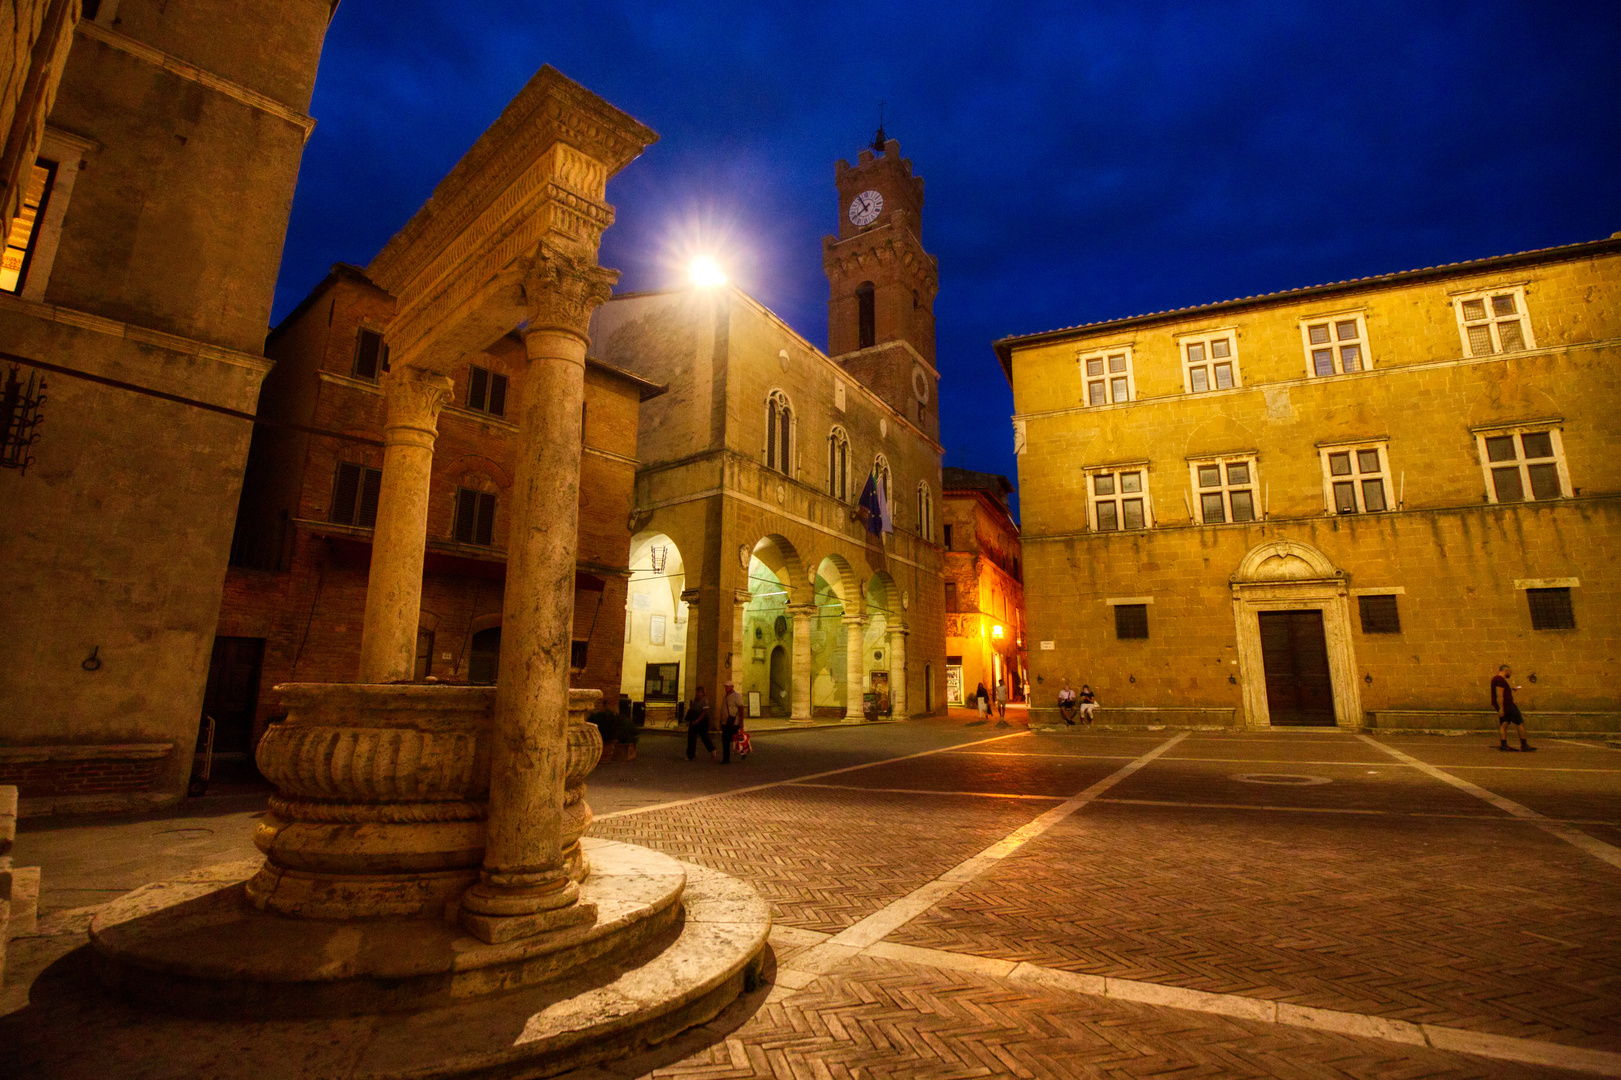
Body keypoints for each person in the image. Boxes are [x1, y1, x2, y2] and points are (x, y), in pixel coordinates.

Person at [1491, 664, 1535, 752]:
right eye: (1509, 672)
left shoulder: (1496, 679)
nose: (1510, 674)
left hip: (1504, 705)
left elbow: (1501, 692)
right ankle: (1524, 745)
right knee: (1520, 723)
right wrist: (1501, 708)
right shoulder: (1500, 680)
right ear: (1506, 671)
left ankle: (1504, 745)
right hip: (1508, 705)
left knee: (1504, 724)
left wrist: (1510, 689)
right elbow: (1499, 695)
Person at [685, 686, 716, 761]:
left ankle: (712, 749)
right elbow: (693, 709)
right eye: (696, 692)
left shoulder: (704, 700)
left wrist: (698, 720)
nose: (697, 693)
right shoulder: (695, 699)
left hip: (702, 721)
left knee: (704, 736)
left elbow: (704, 712)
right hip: (694, 719)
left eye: (698, 692)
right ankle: (690, 755)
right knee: (691, 737)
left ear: (702, 693)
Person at [721, 681, 744, 764]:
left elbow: (741, 708)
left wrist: (741, 722)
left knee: (732, 739)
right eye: (725, 687)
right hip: (726, 722)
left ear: (732, 687)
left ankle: (741, 751)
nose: (726, 688)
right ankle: (727, 758)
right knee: (727, 739)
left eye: (727, 687)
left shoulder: (736, 696)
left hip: (733, 722)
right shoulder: (725, 697)